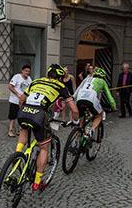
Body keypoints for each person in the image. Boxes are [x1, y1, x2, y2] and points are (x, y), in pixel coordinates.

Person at [16, 64, 79, 192]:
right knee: (44, 148)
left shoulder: (36, 81)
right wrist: (75, 121)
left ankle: (16, 157)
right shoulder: (61, 86)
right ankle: (37, 182)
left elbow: (22, 98)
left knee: (24, 132)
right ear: (60, 77)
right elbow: (74, 109)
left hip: (25, 110)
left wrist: (23, 110)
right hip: (40, 114)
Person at [73, 67, 116, 138]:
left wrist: (74, 97)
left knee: (81, 116)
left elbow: (79, 88)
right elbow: (110, 98)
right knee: (99, 115)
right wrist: (113, 107)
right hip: (91, 98)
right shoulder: (102, 81)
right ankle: (91, 130)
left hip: (80, 98)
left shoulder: (87, 79)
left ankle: (78, 133)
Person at [7, 64, 32, 137]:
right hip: (14, 100)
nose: (27, 73)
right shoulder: (17, 77)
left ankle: (19, 130)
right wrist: (17, 94)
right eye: (26, 71)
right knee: (12, 117)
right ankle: (10, 131)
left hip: (24, 101)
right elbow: (10, 86)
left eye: (28, 71)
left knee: (22, 116)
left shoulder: (29, 79)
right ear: (22, 71)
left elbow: (30, 89)